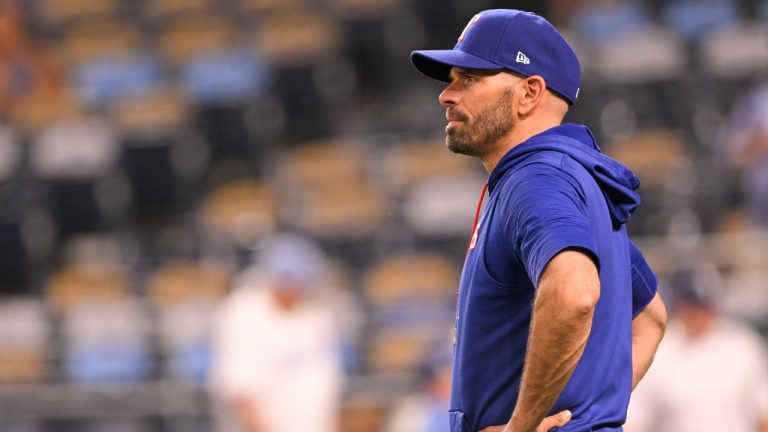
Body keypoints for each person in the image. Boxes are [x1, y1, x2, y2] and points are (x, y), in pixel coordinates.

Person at [409, 9, 668, 432]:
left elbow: (575, 293)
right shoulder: (571, 180)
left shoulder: (537, 179)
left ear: (529, 93)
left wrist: (521, 427)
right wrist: (590, 414)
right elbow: (650, 318)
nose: (447, 94)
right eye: (452, 77)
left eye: (470, 79)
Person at [208, 232, 343, 432]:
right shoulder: (242, 312)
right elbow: (239, 391)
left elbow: (328, 386)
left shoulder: (318, 315)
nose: (295, 286)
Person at [625, 264, 768, 432]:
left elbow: (763, 413)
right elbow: (636, 421)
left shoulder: (743, 345)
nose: (701, 313)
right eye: (693, 305)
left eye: (706, 305)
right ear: (679, 305)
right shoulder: (660, 349)